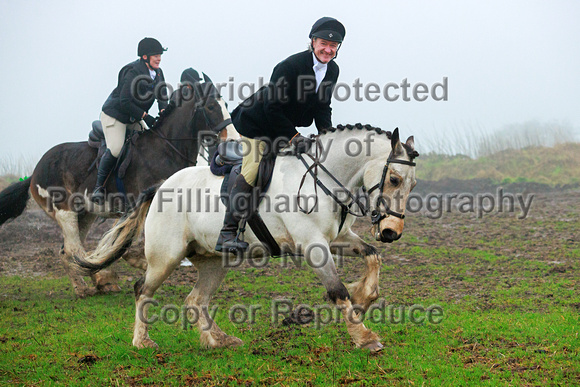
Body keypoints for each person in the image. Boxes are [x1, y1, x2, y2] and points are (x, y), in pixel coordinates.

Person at [216, 17, 346, 253]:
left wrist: (327, 136)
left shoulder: (332, 70)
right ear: (313, 42)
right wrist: (294, 137)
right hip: (256, 123)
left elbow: (322, 106)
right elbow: (272, 107)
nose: (328, 49)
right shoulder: (289, 67)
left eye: (334, 45)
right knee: (253, 168)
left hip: (281, 124)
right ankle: (227, 232)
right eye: (324, 43)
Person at [91, 37, 169, 203]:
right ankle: (99, 187)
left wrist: (164, 111)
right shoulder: (132, 71)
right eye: (155, 55)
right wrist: (145, 116)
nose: (159, 58)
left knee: (148, 143)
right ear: (145, 57)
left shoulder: (158, 73)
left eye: (160, 55)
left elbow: (162, 95)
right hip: (115, 115)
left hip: (133, 115)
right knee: (117, 148)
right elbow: (124, 101)